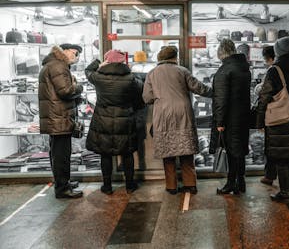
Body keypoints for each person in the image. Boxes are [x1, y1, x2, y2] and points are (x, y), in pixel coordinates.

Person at [143, 46, 212, 194]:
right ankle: (190, 184)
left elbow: (147, 98)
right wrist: (216, 92)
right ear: (175, 57)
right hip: (183, 112)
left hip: (163, 114)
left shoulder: (152, 74)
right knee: (186, 151)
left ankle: (171, 186)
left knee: (168, 153)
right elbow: (199, 88)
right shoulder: (182, 71)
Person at [85, 49, 144, 194]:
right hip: (125, 120)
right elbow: (141, 91)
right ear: (123, 62)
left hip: (103, 120)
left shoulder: (98, 77)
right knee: (127, 153)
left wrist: (100, 64)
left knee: (105, 154)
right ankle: (129, 185)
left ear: (107, 61)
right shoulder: (130, 78)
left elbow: (87, 70)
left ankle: (107, 186)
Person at [256, 37, 289, 202]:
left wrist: (259, 120)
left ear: (278, 51)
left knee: (281, 157)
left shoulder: (275, 71)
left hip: (280, 121)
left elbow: (264, 96)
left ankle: (284, 193)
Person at [38, 43, 84, 199]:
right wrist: (79, 87)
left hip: (56, 116)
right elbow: (65, 91)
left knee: (58, 154)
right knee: (61, 155)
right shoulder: (58, 66)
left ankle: (63, 182)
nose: (76, 57)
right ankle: (62, 188)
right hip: (58, 117)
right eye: (74, 53)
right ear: (64, 52)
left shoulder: (53, 64)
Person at [210, 39, 251, 195]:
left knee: (232, 152)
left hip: (229, 118)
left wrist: (219, 122)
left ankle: (230, 183)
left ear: (221, 52)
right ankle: (241, 182)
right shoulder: (243, 67)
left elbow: (221, 98)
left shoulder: (225, 70)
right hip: (242, 116)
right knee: (239, 150)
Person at [258, 46, 278, 186]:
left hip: (273, 113)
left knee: (271, 146)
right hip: (287, 114)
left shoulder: (272, 71)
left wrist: (260, 120)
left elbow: (265, 94)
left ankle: (270, 175)